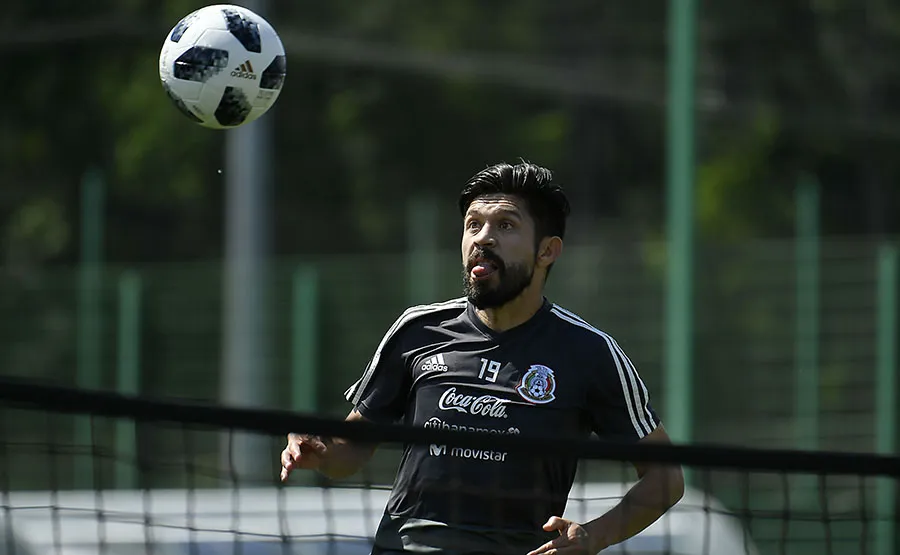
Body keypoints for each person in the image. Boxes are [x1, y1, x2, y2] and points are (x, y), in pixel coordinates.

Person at [280, 161, 685, 554]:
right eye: (473, 225)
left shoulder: (590, 352)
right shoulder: (416, 329)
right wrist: (321, 451)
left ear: (547, 251)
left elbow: (665, 478)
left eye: (505, 225)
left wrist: (594, 536)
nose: (483, 239)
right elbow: (350, 451)